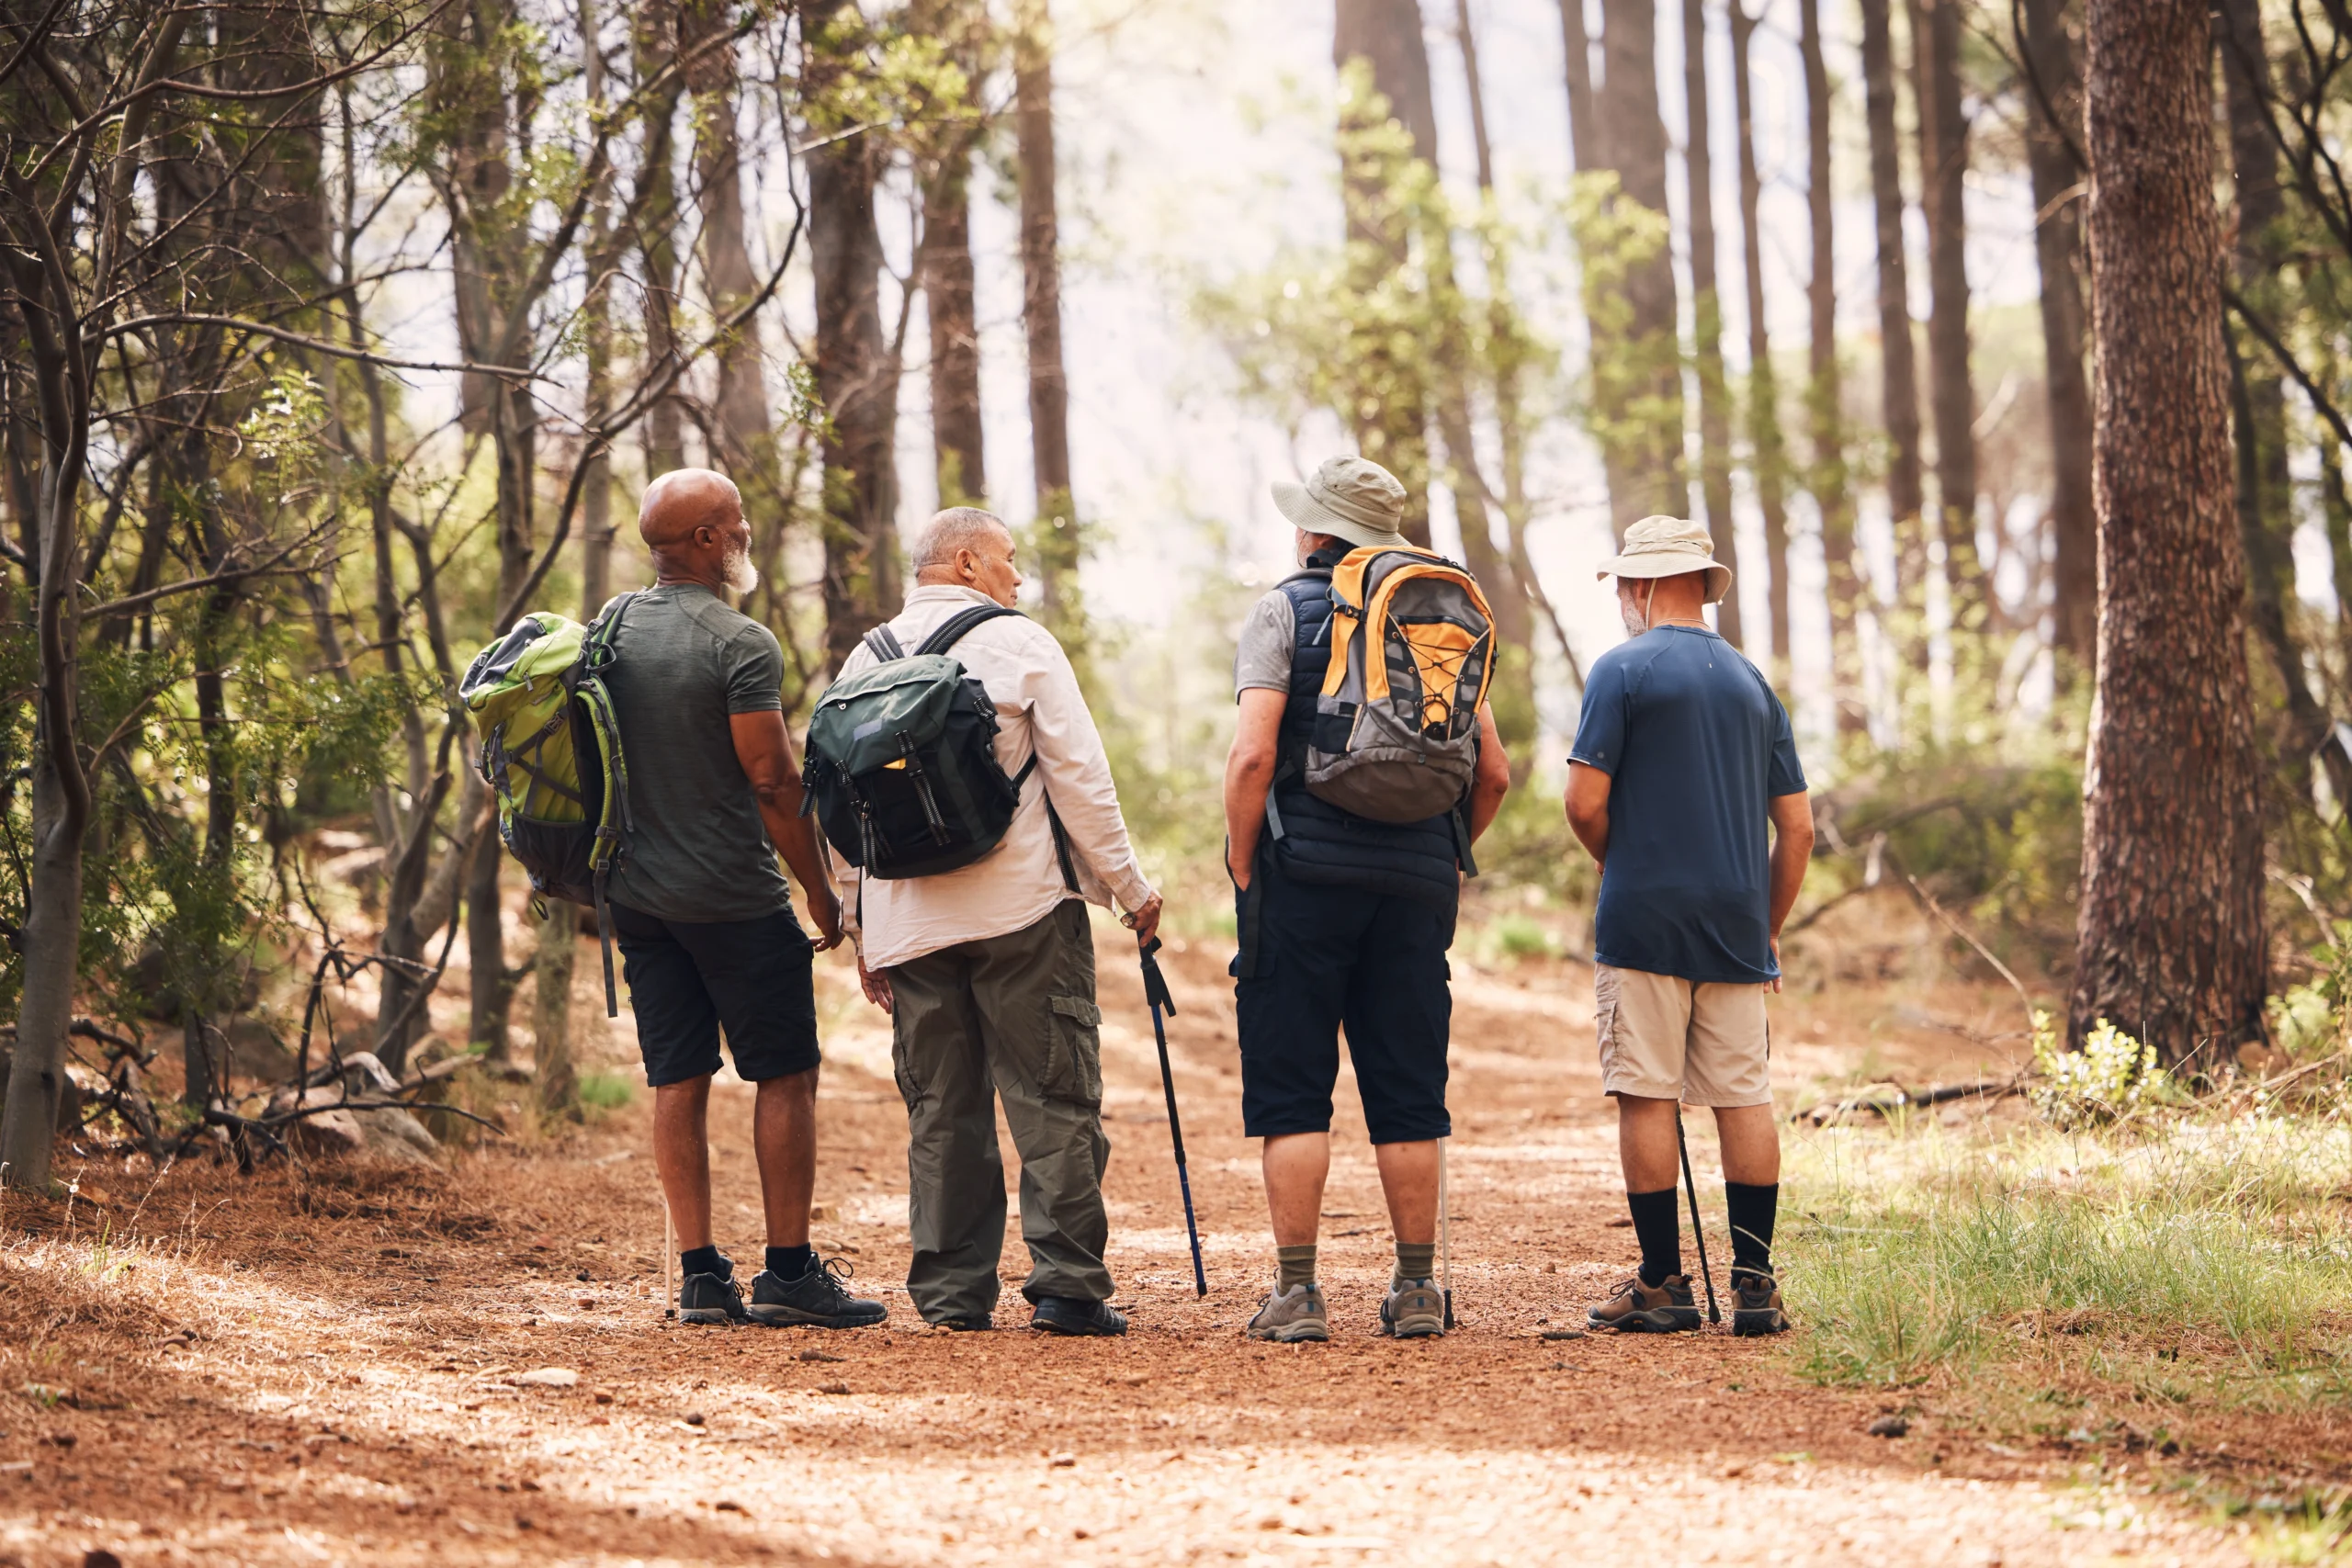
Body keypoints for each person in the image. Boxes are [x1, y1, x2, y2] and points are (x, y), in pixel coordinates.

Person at [841, 507, 1163, 1337]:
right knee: (1053, 1094)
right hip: (1025, 910)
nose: (1018, 575)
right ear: (966, 562)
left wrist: (859, 926)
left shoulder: (864, 659)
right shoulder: (1020, 642)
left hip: (908, 921)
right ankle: (1067, 1288)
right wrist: (1129, 889)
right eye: (1008, 558)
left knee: (940, 1109)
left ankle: (953, 1296)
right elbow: (1080, 777)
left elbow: (837, 806)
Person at [1223, 456, 1511, 1343]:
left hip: (1302, 874)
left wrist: (1242, 861)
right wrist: (1447, 852)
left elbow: (1253, 755)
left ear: (1317, 532)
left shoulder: (1286, 609)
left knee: (1293, 1089)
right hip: (1417, 881)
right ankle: (1418, 1288)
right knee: (1408, 1088)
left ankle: (1298, 1294)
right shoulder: (1440, 609)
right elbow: (1493, 773)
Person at [602, 468, 886, 1330]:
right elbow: (772, 779)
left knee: (676, 1076)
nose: (746, 533)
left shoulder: (609, 627)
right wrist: (822, 893)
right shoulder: (738, 642)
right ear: (704, 541)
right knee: (786, 1072)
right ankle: (789, 1272)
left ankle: (699, 1277)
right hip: (733, 898)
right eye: (736, 524)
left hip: (640, 899)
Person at [1564, 514, 1815, 1337]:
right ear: (1699, 585)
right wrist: (1766, 924)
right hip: (1736, 923)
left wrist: (1621, 861)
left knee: (1647, 1094)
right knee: (1744, 1096)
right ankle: (1755, 1285)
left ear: (1639, 586)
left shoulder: (1621, 670)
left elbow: (1583, 803)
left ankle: (1662, 1283)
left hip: (1643, 919)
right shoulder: (1752, 684)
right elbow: (1798, 829)